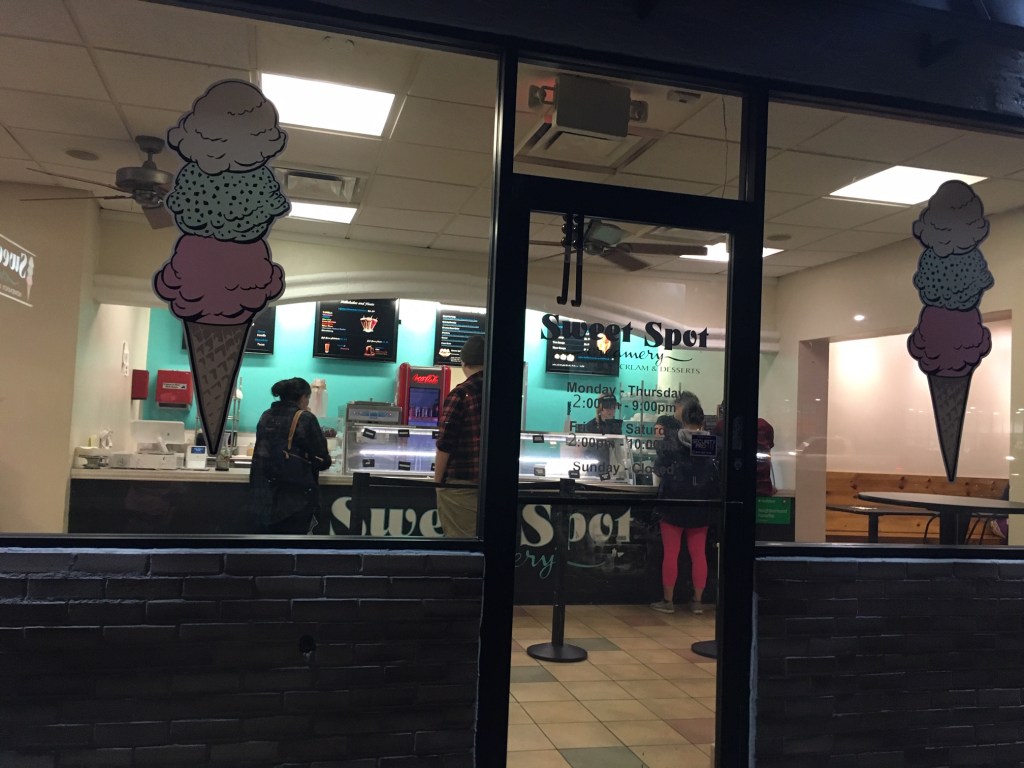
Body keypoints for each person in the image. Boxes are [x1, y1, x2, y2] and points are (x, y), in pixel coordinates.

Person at [650, 401, 718, 615]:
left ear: (682, 419)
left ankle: (668, 601)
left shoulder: (672, 441)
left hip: (673, 503)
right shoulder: (710, 443)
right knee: (699, 554)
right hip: (700, 505)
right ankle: (697, 602)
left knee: (671, 553)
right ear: (703, 420)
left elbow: (659, 469)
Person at [250, 377, 332, 534]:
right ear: (303, 397)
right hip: (295, 500)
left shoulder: (266, 415)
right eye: (308, 398)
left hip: (263, 495)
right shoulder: (305, 418)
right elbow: (323, 461)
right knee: (294, 543)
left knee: (266, 543)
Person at [434, 335, 485, 537]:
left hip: (462, 486)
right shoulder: (503, 392)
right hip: (493, 484)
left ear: (463, 362)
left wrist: (438, 483)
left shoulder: (461, 393)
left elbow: (445, 443)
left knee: (464, 545)